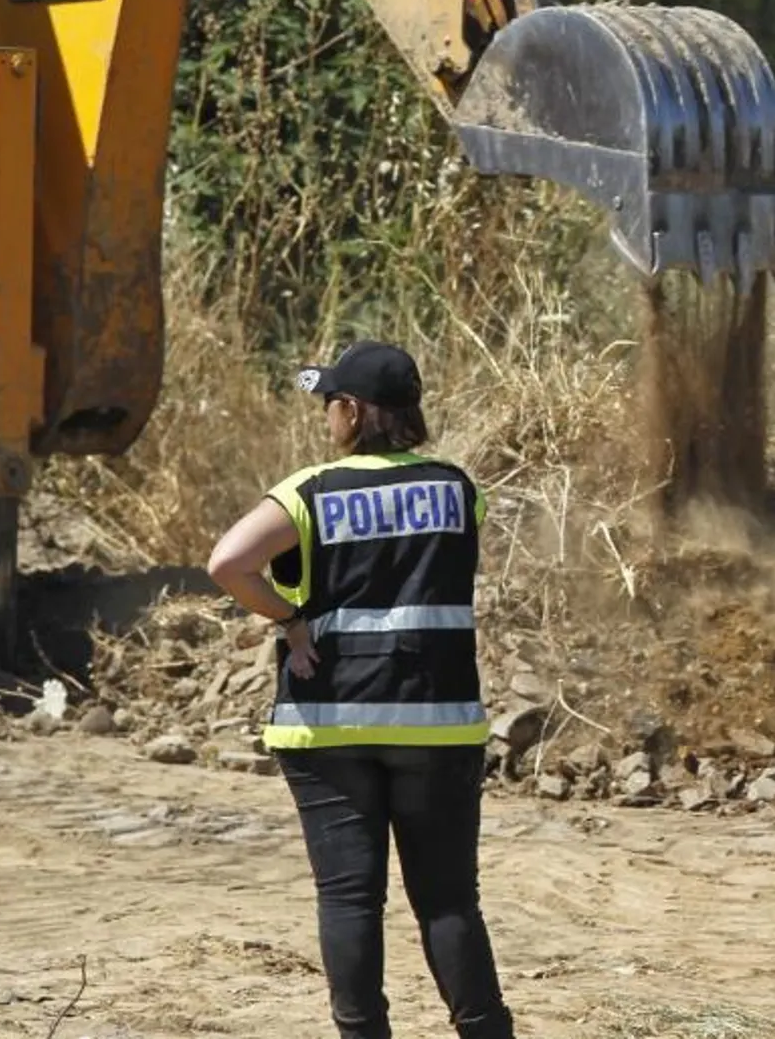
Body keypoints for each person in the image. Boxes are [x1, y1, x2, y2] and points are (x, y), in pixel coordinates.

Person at [205, 340, 514, 1039]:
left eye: (328, 405)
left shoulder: (309, 490)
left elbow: (228, 561)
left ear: (351, 410)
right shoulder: (459, 489)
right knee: (448, 900)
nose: (325, 418)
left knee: (349, 897)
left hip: (329, 721)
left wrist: (290, 620)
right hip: (437, 723)